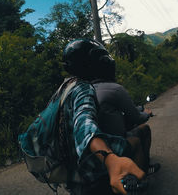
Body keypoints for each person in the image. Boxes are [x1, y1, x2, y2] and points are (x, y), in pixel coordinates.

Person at [59, 38, 145, 195]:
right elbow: (83, 123)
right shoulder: (83, 88)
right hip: (91, 163)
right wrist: (109, 159)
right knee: (137, 141)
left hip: (69, 165)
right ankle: (137, 182)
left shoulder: (63, 90)